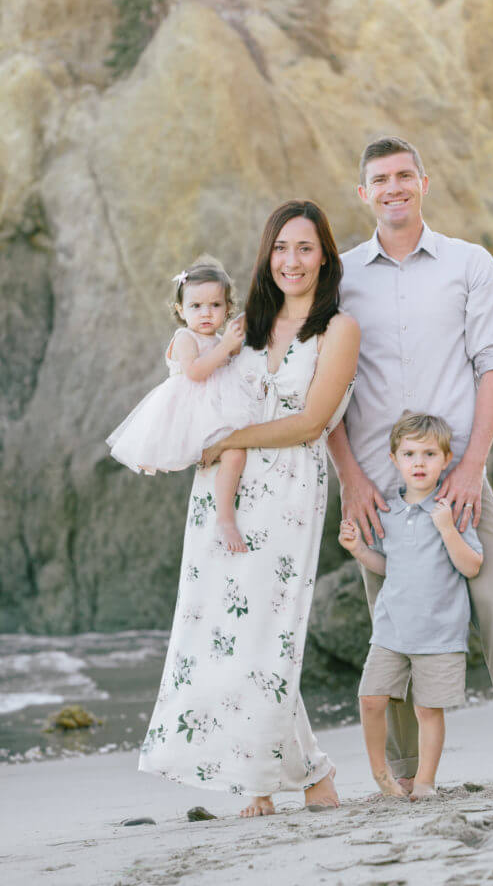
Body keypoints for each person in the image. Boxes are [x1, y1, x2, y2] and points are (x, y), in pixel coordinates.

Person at [328, 136, 493, 790]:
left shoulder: (468, 264)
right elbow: (321, 389)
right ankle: (410, 778)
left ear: (423, 181)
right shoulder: (341, 278)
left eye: (402, 176)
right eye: (379, 180)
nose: (392, 188)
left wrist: (472, 465)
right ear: (363, 193)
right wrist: (349, 478)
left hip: (457, 476)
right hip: (377, 484)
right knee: (396, 622)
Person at [139, 201, 360, 819]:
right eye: (281, 248)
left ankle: (281, 776)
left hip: (288, 486)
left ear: (325, 257)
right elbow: (195, 374)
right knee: (227, 632)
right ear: (268, 256)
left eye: (306, 248)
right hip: (224, 489)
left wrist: (232, 440)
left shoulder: (338, 329)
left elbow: (313, 421)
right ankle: (298, 778)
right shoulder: (248, 323)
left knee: (270, 634)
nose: (292, 260)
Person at [339, 412, 483, 801]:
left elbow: (471, 565)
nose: (419, 462)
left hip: (439, 633)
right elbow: (388, 567)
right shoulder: (389, 511)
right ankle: (381, 774)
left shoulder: (452, 508)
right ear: (394, 459)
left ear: (446, 459)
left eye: (429, 454)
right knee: (370, 699)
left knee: (427, 711)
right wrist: (358, 550)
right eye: (409, 454)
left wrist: (448, 529)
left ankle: (424, 781)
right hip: (392, 630)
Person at [107, 255, 258, 552]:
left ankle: (231, 509)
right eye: (196, 306)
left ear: (228, 309)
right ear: (181, 310)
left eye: (215, 305)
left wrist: (233, 347)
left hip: (219, 404)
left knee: (239, 452)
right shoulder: (185, 337)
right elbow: (196, 372)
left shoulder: (218, 338)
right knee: (235, 451)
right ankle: (224, 517)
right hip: (191, 412)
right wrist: (225, 347)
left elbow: (231, 367)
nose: (206, 313)